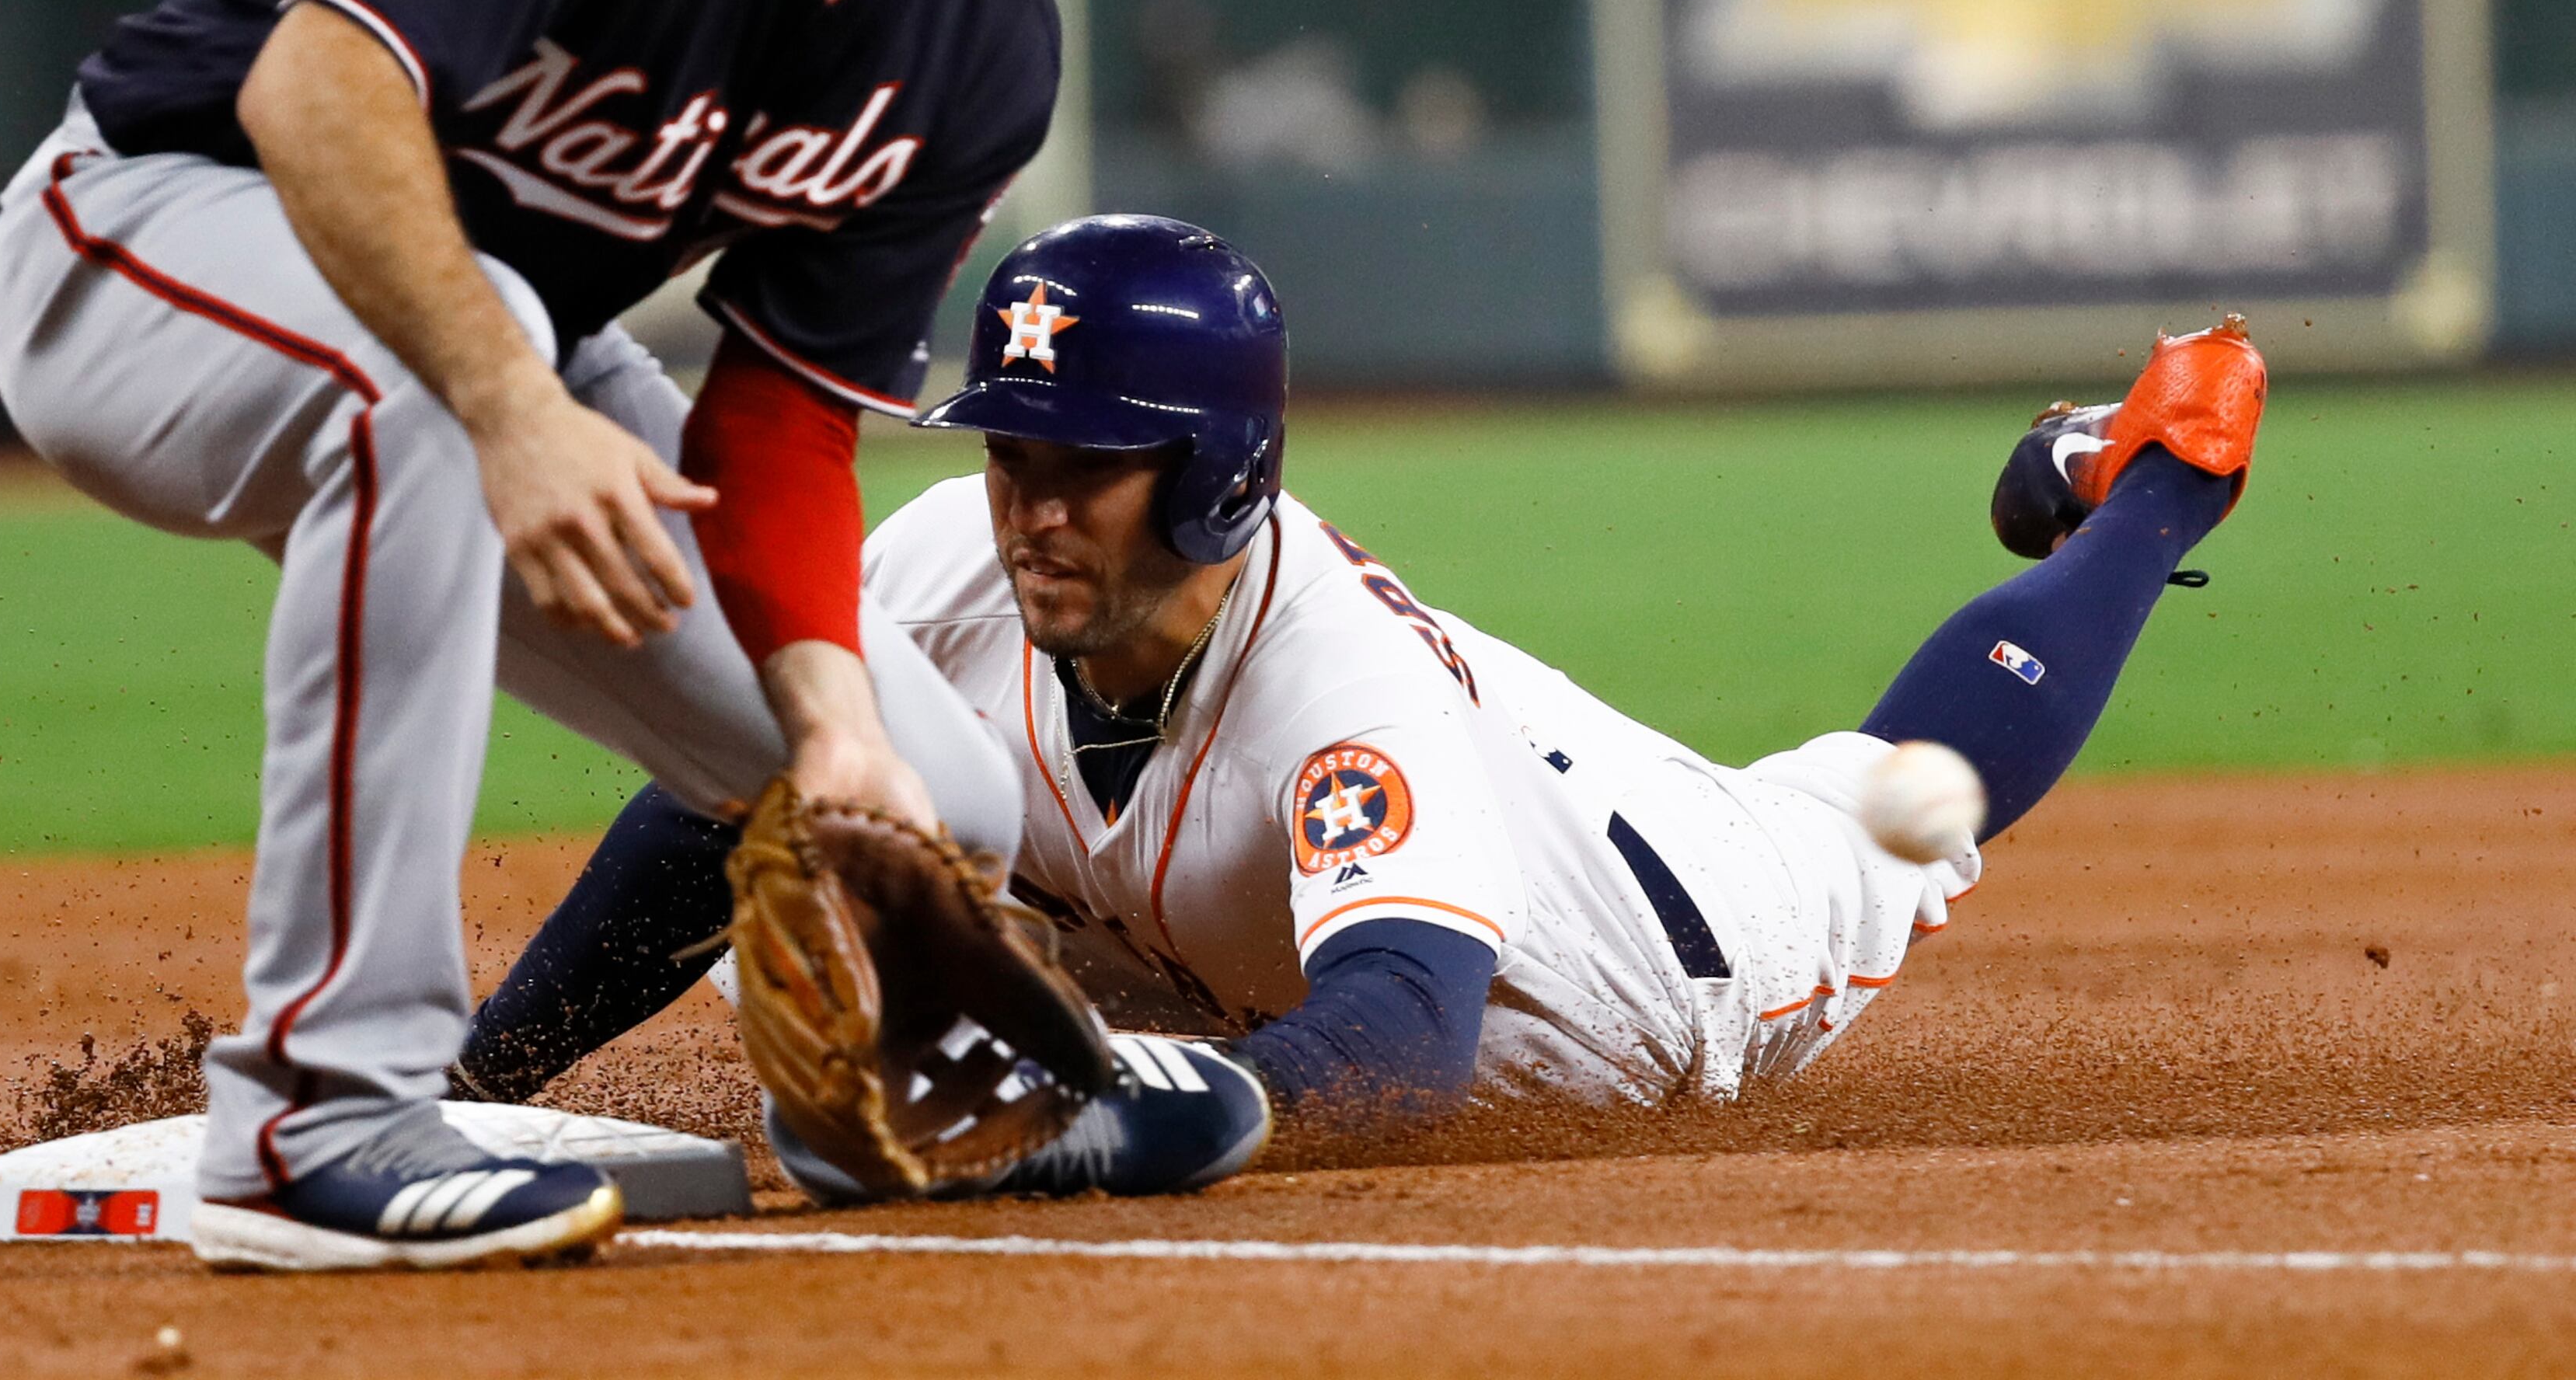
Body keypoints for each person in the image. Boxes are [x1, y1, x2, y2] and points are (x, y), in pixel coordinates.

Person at [0, 0, 1233, 1270]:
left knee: (925, 796)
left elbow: (785, 417)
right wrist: (506, 403)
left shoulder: (979, 36)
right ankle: (319, 1111)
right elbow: (313, 88)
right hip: (143, 233)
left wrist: (827, 726)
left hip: (494, 352)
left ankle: (890, 1107)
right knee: (420, 382)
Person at [457, 216, 2265, 1196]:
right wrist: (479, 1080)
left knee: (1896, 802)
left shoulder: (1340, 690)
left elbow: (1399, 1037)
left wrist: (1113, 1121)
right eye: (1014, 450)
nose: (1030, 503)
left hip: (1676, 946)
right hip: (1221, 959)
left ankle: (2164, 465)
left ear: (1216, 474)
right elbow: (723, 788)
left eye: (1090, 464)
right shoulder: (950, 568)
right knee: (855, 805)